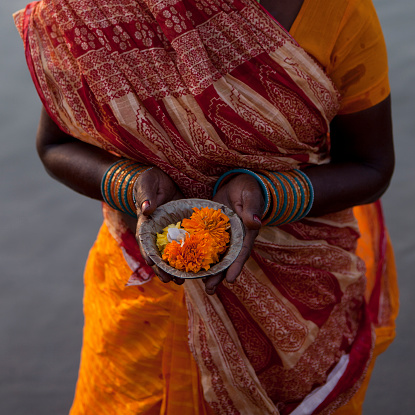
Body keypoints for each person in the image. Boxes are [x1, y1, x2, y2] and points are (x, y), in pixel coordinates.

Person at [14, 0, 399, 413]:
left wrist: (267, 196)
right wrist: (133, 186)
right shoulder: (89, 10)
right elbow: (54, 145)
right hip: (143, 293)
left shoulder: (334, 12)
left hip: (298, 298)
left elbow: (370, 164)